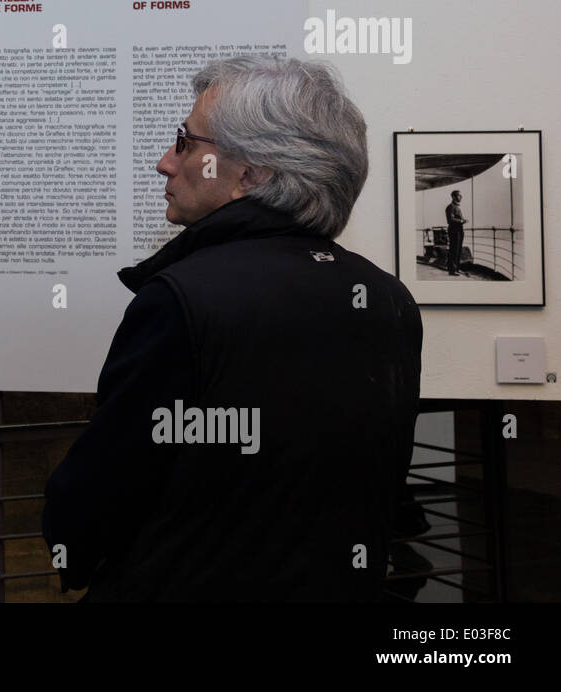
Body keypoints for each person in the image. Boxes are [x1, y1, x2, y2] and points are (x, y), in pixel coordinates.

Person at [42, 56, 422, 602]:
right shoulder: (388, 299)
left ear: (250, 174)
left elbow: (105, 485)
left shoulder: (183, 299)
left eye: (186, 143)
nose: (164, 163)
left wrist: (75, 547)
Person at [445, 189, 466, 275]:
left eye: (461, 195)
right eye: (458, 195)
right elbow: (450, 220)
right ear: (453, 197)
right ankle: (452, 270)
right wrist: (461, 221)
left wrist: (462, 221)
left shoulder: (457, 207)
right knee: (454, 250)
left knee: (458, 250)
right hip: (454, 231)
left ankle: (457, 268)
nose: (461, 197)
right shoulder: (450, 207)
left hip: (459, 231)